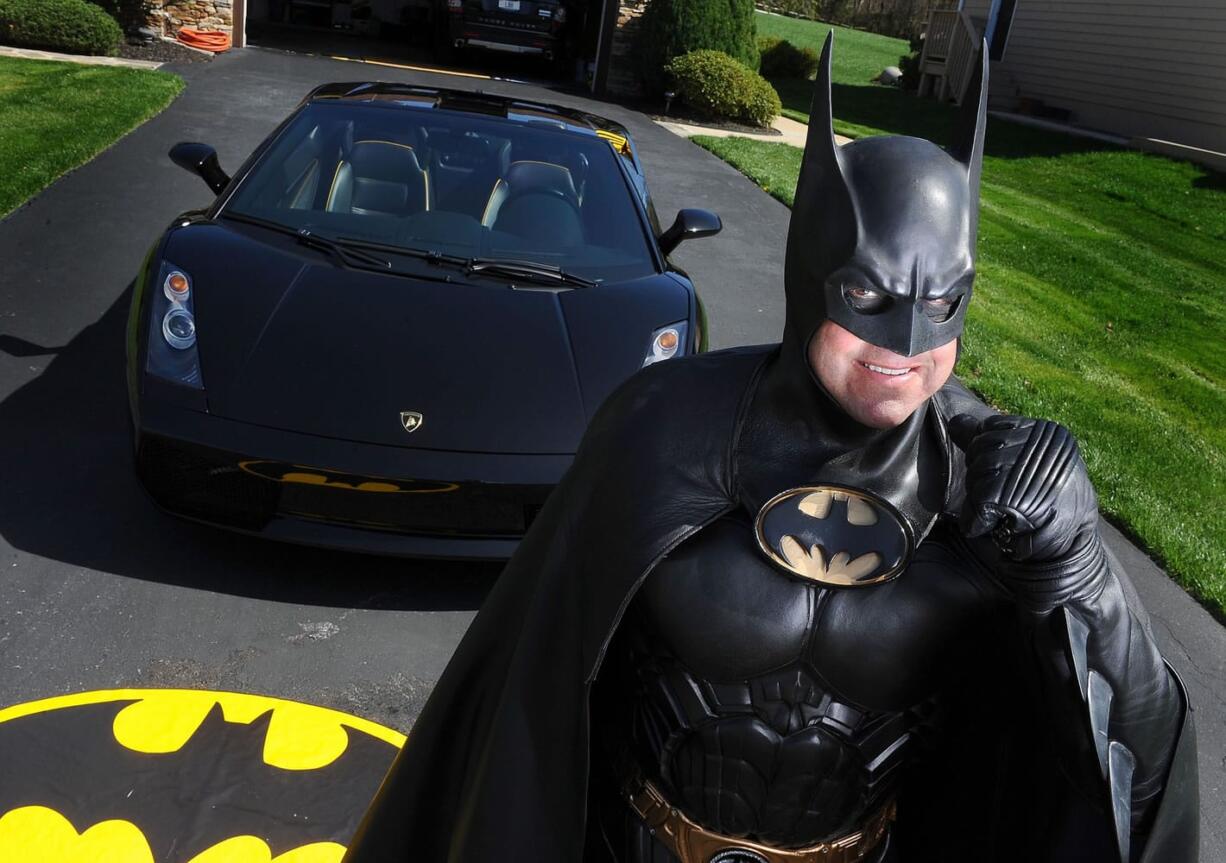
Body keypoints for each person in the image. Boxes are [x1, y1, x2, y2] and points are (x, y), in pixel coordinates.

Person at [343, 36, 1198, 863]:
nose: (902, 341)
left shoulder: (990, 485)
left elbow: (1140, 770)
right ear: (809, 271)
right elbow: (525, 682)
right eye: (865, 291)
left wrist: (1078, 576)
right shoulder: (665, 427)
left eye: (941, 302)